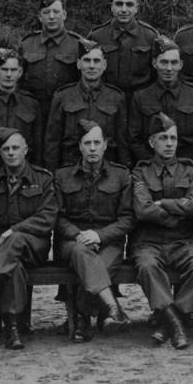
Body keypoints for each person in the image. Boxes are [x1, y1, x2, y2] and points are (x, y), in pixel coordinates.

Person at [0, 127, 58, 350]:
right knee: (13, 266)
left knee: (14, 240)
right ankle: (12, 327)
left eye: (15, 147)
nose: (11, 153)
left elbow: (47, 217)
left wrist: (15, 229)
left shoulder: (43, 178)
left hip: (33, 244)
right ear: (0, 153)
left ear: (25, 150)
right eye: (6, 149)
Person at [130, 113, 193, 350]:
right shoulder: (140, 172)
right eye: (163, 138)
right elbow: (142, 210)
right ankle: (176, 323)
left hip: (184, 242)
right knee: (146, 266)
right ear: (152, 143)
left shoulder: (190, 170)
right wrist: (178, 210)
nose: (170, 143)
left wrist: (162, 203)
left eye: (173, 138)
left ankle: (168, 318)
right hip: (149, 242)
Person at [54, 120, 133, 342]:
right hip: (73, 241)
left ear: (105, 145)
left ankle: (81, 318)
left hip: (109, 241)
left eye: (97, 143)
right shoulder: (62, 176)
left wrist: (99, 235)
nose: (92, 148)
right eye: (87, 143)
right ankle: (113, 308)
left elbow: (127, 219)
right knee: (82, 253)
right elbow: (57, 217)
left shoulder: (121, 175)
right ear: (79, 146)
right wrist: (79, 235)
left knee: (99, 266)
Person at [128, 36, 193, 168]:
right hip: (152, 166)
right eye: (163, 62)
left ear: (180, 65)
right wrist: (151, 165)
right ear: (154, 63)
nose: (169, 68)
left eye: (174, 63)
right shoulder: (141, 96)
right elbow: (134, 138)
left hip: (189, 165)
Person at [45, 38, 130, 172]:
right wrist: (53, 175)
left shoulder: (116, 97)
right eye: (86, 60)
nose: (91, 66)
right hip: (70, 170)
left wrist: (124, 174)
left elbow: (122, 143)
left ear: (104, 65)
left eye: (96, 61)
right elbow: (52, 142)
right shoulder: (63, 96)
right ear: (79, 64)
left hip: (107, 171)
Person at [19, 0, 83, 126]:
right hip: (33, 113)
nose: (52, 16)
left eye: (56, 12)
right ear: (40, 17)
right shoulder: (27, 44)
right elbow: (18, 81)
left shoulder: (77, 44)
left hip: (67, 112)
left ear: (64, 15)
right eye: (46, 12)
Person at [87, 0, 159, 98]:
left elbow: (157, 75)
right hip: (105, 99)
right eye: (119, 4)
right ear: (111, 7)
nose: (124, 10)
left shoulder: (150, 36)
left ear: (136, 8)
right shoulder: (97, 36)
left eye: (129, 5)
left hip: (140, 100)